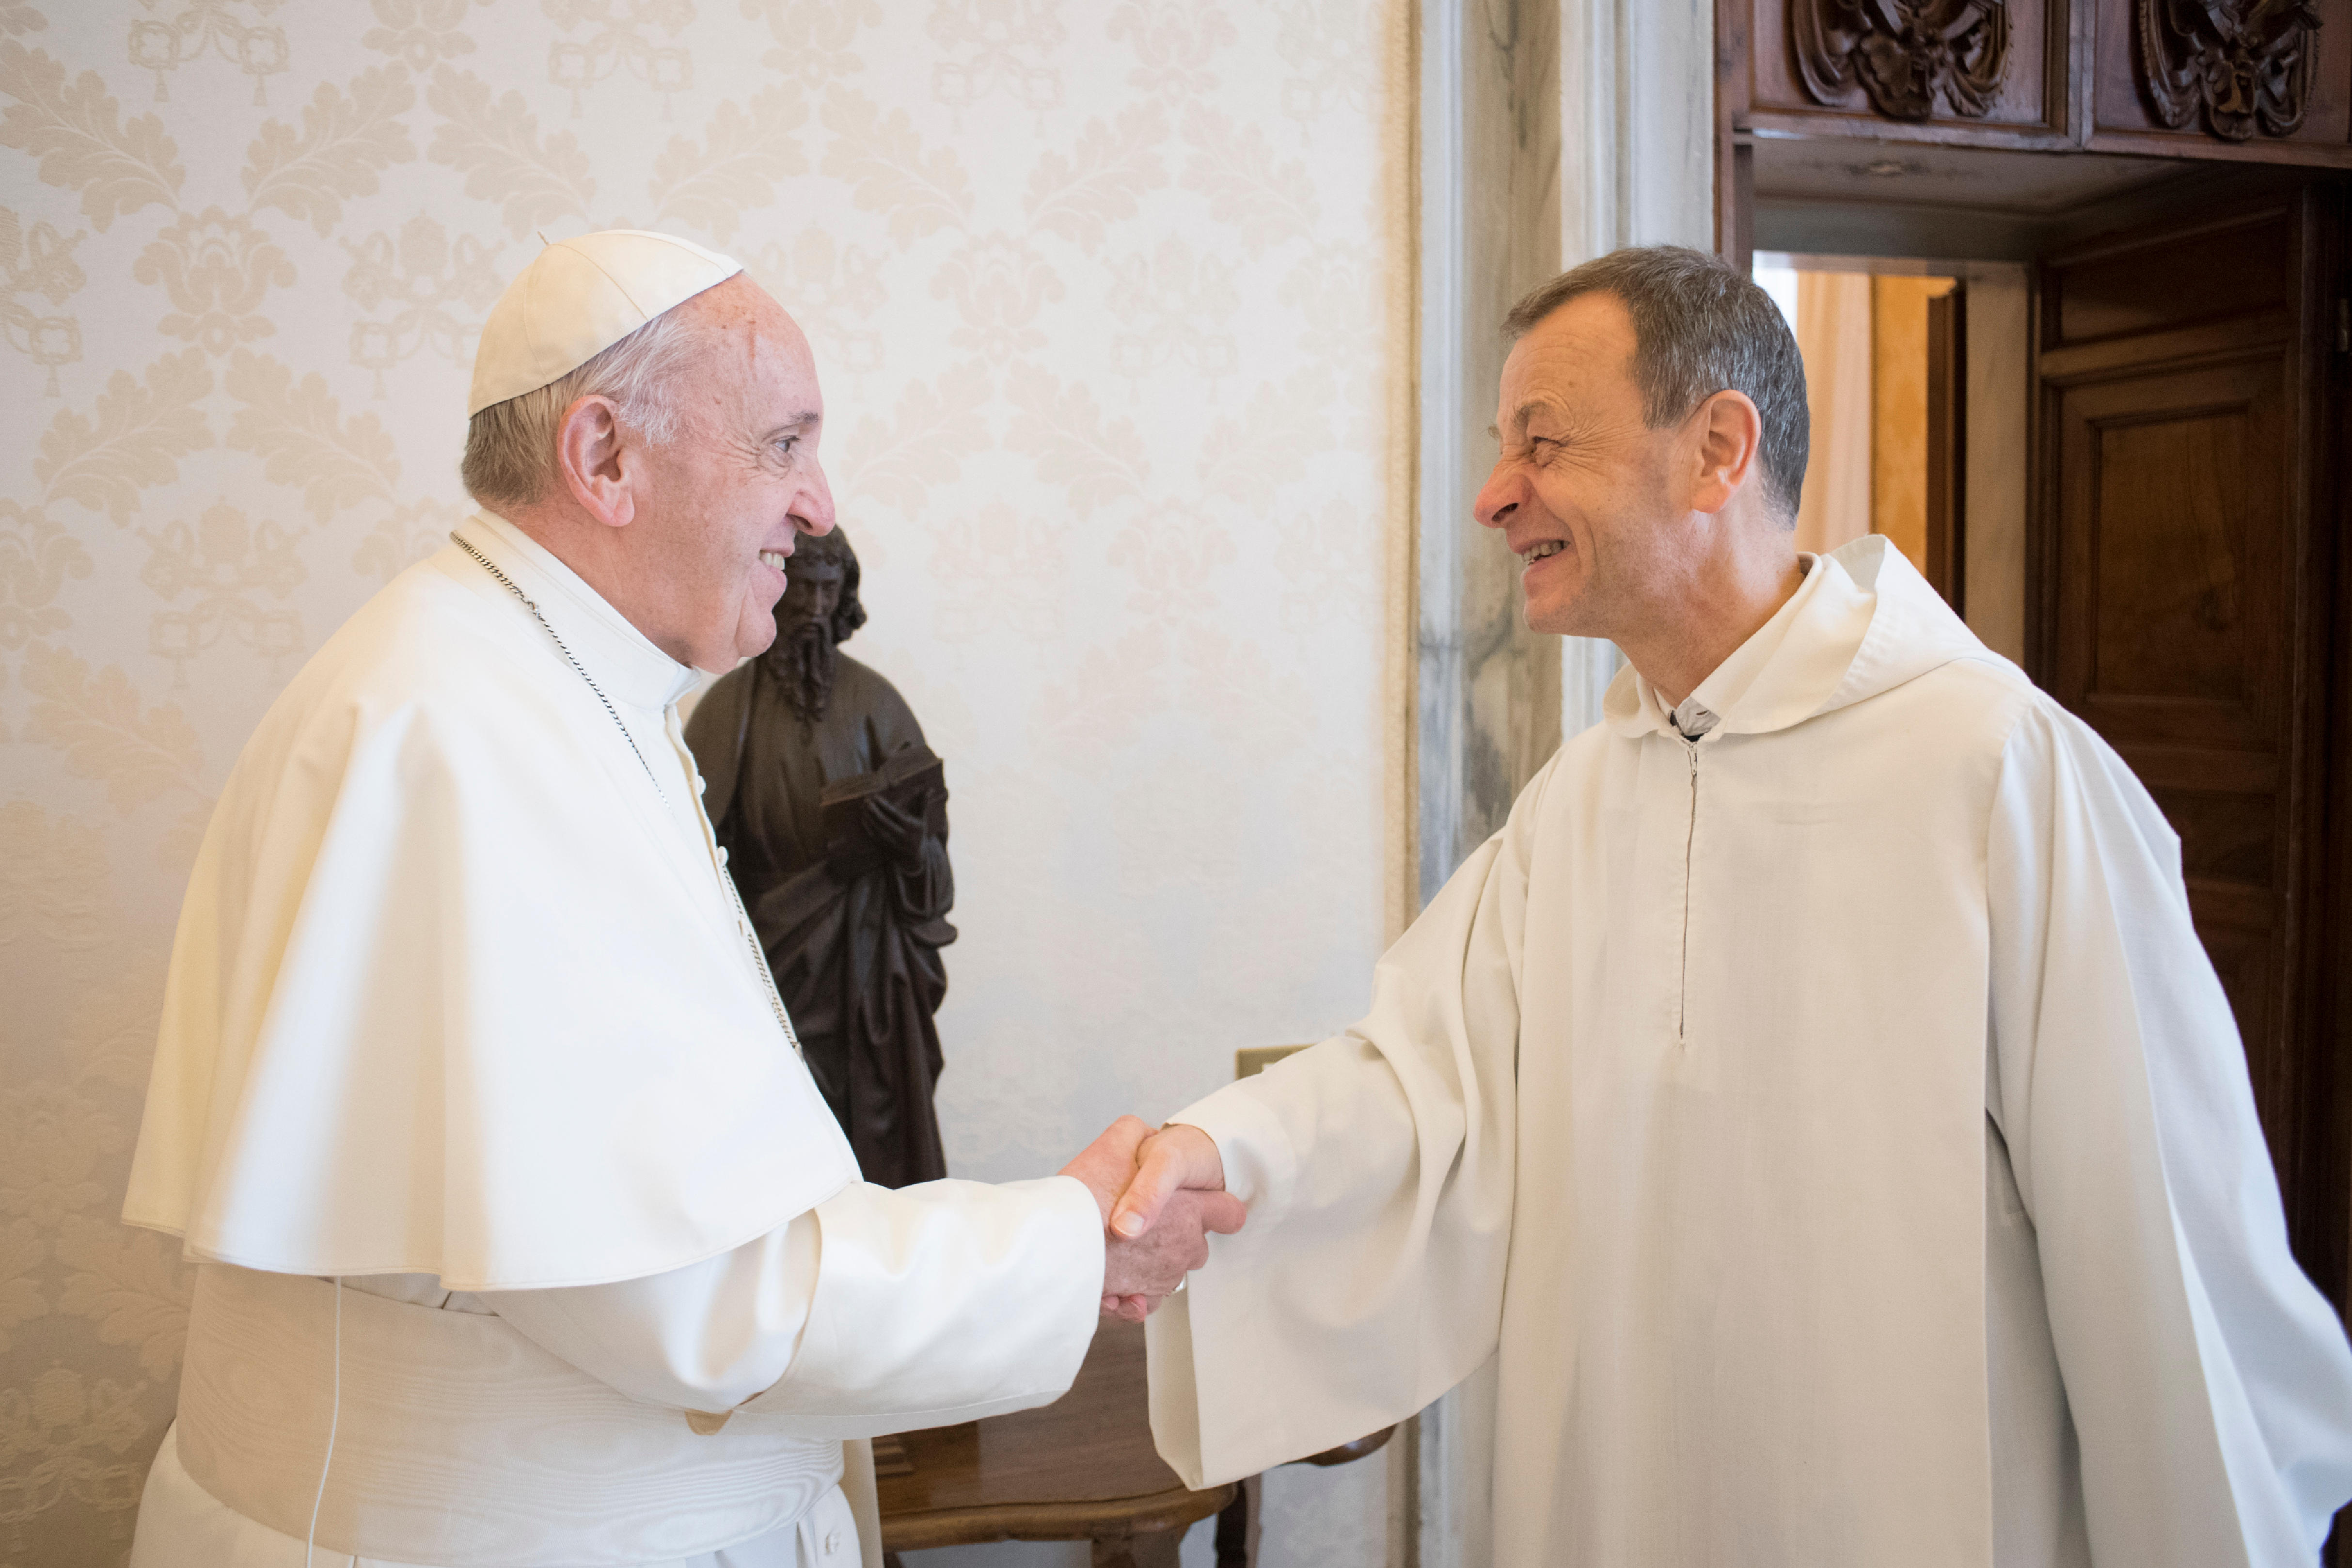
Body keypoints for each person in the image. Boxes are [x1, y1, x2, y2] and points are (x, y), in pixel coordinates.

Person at [1110, 246, 2352, 1567]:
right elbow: (1423, 1085)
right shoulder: (1581, 798)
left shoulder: (1997, 770)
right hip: (1616, 1501)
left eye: (1542, 440)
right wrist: (1219, 1151)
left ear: (1714, 450)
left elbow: (2157, 1243)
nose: (1493, 494)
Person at [118, 229, 1240, 1568]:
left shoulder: (519, 677)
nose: (818, 505)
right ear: (604, 457)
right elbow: (698, 1296)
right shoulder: (478, 733)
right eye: (783, 444)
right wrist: (1073, 1247)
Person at [687, 525, 956, 1188]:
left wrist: (908, 849)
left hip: (869, 972)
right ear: (775, 591)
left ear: (844, 598)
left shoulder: (877, 705)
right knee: (779, 1150)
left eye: (827, 591)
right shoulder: (729, 710)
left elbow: (931, 865)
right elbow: (690, 858)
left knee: (877, 1152)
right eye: (801, 589)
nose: (812, 608)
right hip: (768, 965)